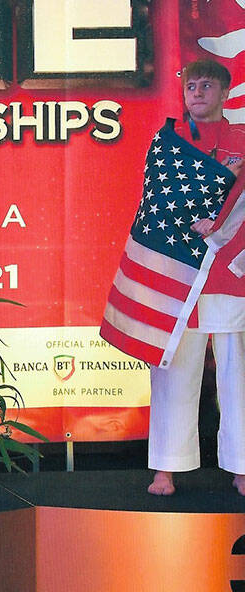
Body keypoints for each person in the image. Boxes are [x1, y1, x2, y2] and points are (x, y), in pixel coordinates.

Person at [147, 59, 245, 496]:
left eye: (207, 86)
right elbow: (153, 203)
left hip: (229, 271)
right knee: (172, 370)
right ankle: (166, 468)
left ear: (225, 94)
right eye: (191, 86)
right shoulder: (167, 142)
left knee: (237, 372)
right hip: (179, 268)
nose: (198, 92)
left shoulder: (243, 141)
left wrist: (222, 227)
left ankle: (243, 465)